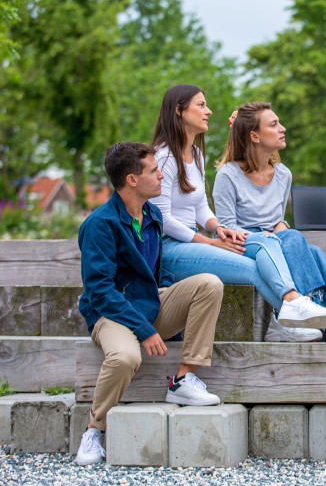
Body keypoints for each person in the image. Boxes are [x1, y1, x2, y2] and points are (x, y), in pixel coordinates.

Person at [148, 85, 326, 343]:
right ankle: (292, 306)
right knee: (259, 253)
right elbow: (163, 220)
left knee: (257, 262)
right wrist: (211, 241)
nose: (209, 111)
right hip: (170, 250)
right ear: (179, 111)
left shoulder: (195, 155)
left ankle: (285, 319)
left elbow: (201, 207)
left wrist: (219, 228)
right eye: (201, 105)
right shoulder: (163, 157)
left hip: (192, 241)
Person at [75, 142, 224, 466]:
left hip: (147, 303)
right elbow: (100, 290)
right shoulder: (99, 224)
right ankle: (93, 431)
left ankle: (184, 379)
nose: (161, 175)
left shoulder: (152, 214)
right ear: (131, 179)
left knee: (208, 284)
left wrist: (163, 305)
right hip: (110, 312)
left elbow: (152, 274)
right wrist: (144, 329)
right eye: (154, 171)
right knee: (126, 357)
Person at [213, 103, 326, 342]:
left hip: (276, 242)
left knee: (312, 249)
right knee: (293, 239)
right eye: (274, 124)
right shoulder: (228, 175)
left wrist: (280, 227)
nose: (283, 128)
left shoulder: (283, 174)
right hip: (244, 245)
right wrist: (268, 236)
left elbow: (277, 218)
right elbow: (226, 227)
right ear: (254, 136)